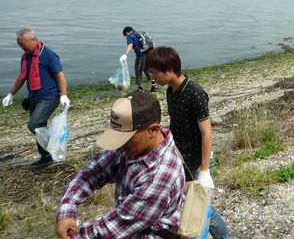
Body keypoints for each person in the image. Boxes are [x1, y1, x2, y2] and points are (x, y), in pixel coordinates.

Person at [55, 92, 185, 238]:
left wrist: (73, 234)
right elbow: (92, 172)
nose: (120, 143)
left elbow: (113, 229)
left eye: (125, 137)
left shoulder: (160, 177)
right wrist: (68, 207)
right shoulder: (134, 147)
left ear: (153, 130)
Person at [145, 46, 233, 239]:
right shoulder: (171, 91)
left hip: (197, 161)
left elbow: (207, 132)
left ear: (169, 69)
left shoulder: (194, 92)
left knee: (202, 210)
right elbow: (176, 124)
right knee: (195, 208)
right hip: (180, 159)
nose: (152, 78)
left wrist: (204, 171)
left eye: (154, 73)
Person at [2, 28, 70, 167]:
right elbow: (22, 77)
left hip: (49, 97)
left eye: (23, 44)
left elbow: (60, 76)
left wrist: (64, 95)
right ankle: (46, 157)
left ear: (33, 40)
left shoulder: (48, 55)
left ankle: (55, 143)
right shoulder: (26, 57)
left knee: (34, 125)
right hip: (34, 97)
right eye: (19, 45)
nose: (21, 47)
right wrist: (10, 94)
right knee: (40, 126)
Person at [121, 26, 158, 92]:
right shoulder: (140, 33)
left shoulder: (130, 36)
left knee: (138, 70)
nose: (126, 36)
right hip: (150, 53)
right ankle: (153, 83)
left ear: (127, 32)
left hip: (142, 55)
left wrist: (126, 54)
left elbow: (130, 45)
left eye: (126, 34)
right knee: (146, 68)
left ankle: (140, 89)